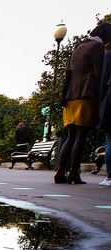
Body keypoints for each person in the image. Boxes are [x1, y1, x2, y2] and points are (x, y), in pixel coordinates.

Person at [55, 22, 111, 184]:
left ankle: (60, 172)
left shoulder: (80, 47)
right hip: (86, 95)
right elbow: (98, 74)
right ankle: (73, 172)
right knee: (81, 136)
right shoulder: (97, 47)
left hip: (70, 96)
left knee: (70, 137)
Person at [98, 32, 111, 186]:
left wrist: (101, 103)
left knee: (110, 141)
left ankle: (110, 177)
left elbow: (103, 82)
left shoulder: (108, 56)